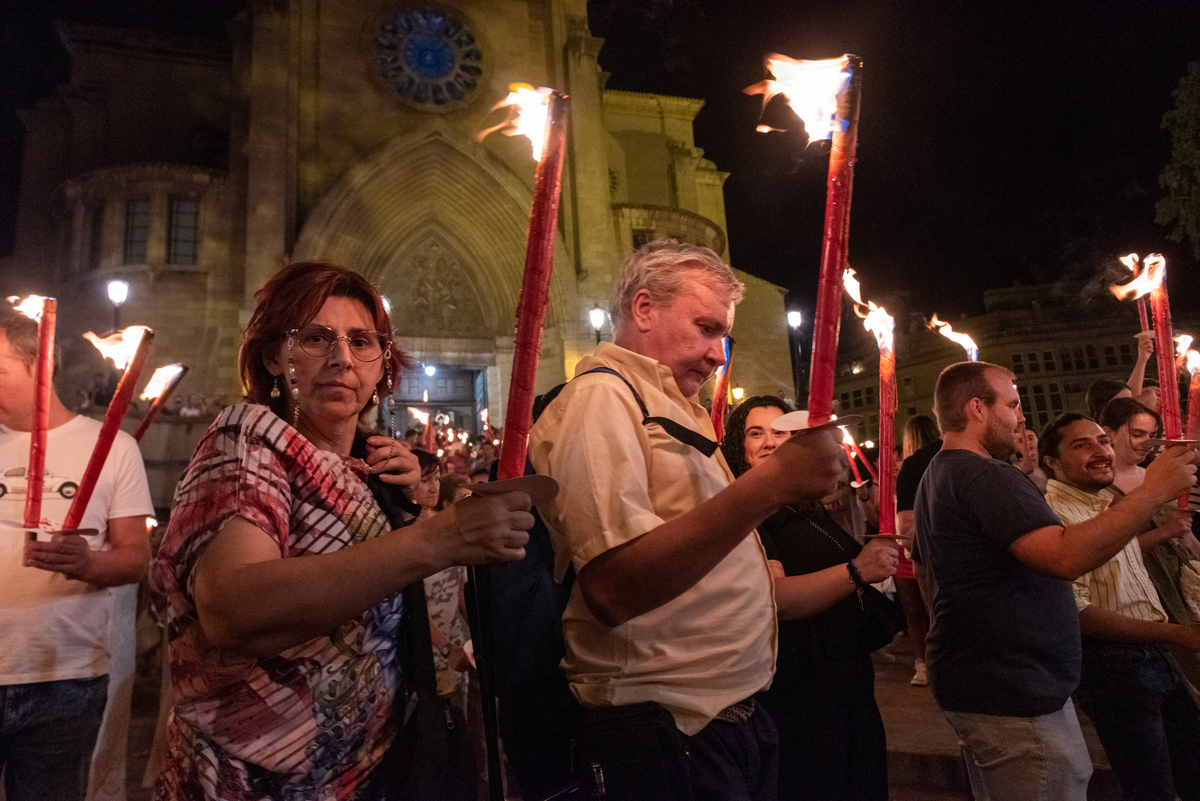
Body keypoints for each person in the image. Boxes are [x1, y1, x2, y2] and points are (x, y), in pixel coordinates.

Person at [153, 262, 533, 801]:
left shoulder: (373, 471)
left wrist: (403, 505)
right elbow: (232, 609)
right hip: (254, 784)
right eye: (314, 338)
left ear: (382, 368)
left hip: (375, 773)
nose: (342, 358)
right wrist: (437, 539)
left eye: (361, 342)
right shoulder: (248, 438)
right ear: (271, 356)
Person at [529, 240, 843, 800]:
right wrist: (769, 486)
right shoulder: (603, 397)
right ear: (644, 309)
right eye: (705, 328)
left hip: (721, 725)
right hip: (670, 731)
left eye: (723, 336)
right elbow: (612, 586)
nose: (718, 355)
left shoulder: (672, 407)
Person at [911, 361, 1197, 801]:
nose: (1020, 417)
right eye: (1011, 405)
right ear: (977, 409)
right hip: (1012, 690)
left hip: (995, 682)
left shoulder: (941, 472)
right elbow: (1064, 556)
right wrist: (1153, 492)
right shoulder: (984, 474)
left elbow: (927, 572)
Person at [0, 303, 154, 801]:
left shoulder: (111, 448)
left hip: (63, 678)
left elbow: (136, 559)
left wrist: (88, 563)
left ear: (38, 365)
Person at [721, 396, 898, 801]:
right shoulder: (749, 515)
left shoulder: (806, 510)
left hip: (845, 680)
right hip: (800, 690)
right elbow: (775, 598)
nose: (769, 441)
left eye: (780, 431)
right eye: (755, 433)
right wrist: (855, 571)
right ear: (738, 447)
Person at [1039, 413, 1200, 801]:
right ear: (1052, 463)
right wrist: (1177, 634)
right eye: (1082, 445)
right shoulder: (1053, 516)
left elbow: (1122, 565)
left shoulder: (1109, 502)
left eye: (1103, 441)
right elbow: (1077, 613)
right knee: (1151, 789)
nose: (1101, 452)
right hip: (1113, 666)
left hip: (1154, 654)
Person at [895, 414, 939, 686]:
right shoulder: (906, 471)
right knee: (920, 608)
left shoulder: (913, 468)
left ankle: (926, 662)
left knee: (918, 610)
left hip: (909, 543)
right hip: (906, 541)